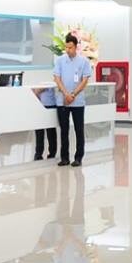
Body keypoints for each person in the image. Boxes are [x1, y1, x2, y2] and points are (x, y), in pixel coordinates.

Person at [52, 32, 92, 166]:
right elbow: (57, 78)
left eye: (70, 47)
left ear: (76, 47)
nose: (67, 50)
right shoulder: (59, 60)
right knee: (64, 130)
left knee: (78, 130)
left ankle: (78, 157)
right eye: (66, 47)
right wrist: (66, 94)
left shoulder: (84, 61)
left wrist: (73, 95)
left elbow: (85, 80)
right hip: (62, 100)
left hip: (78, 101)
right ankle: (64, 158)